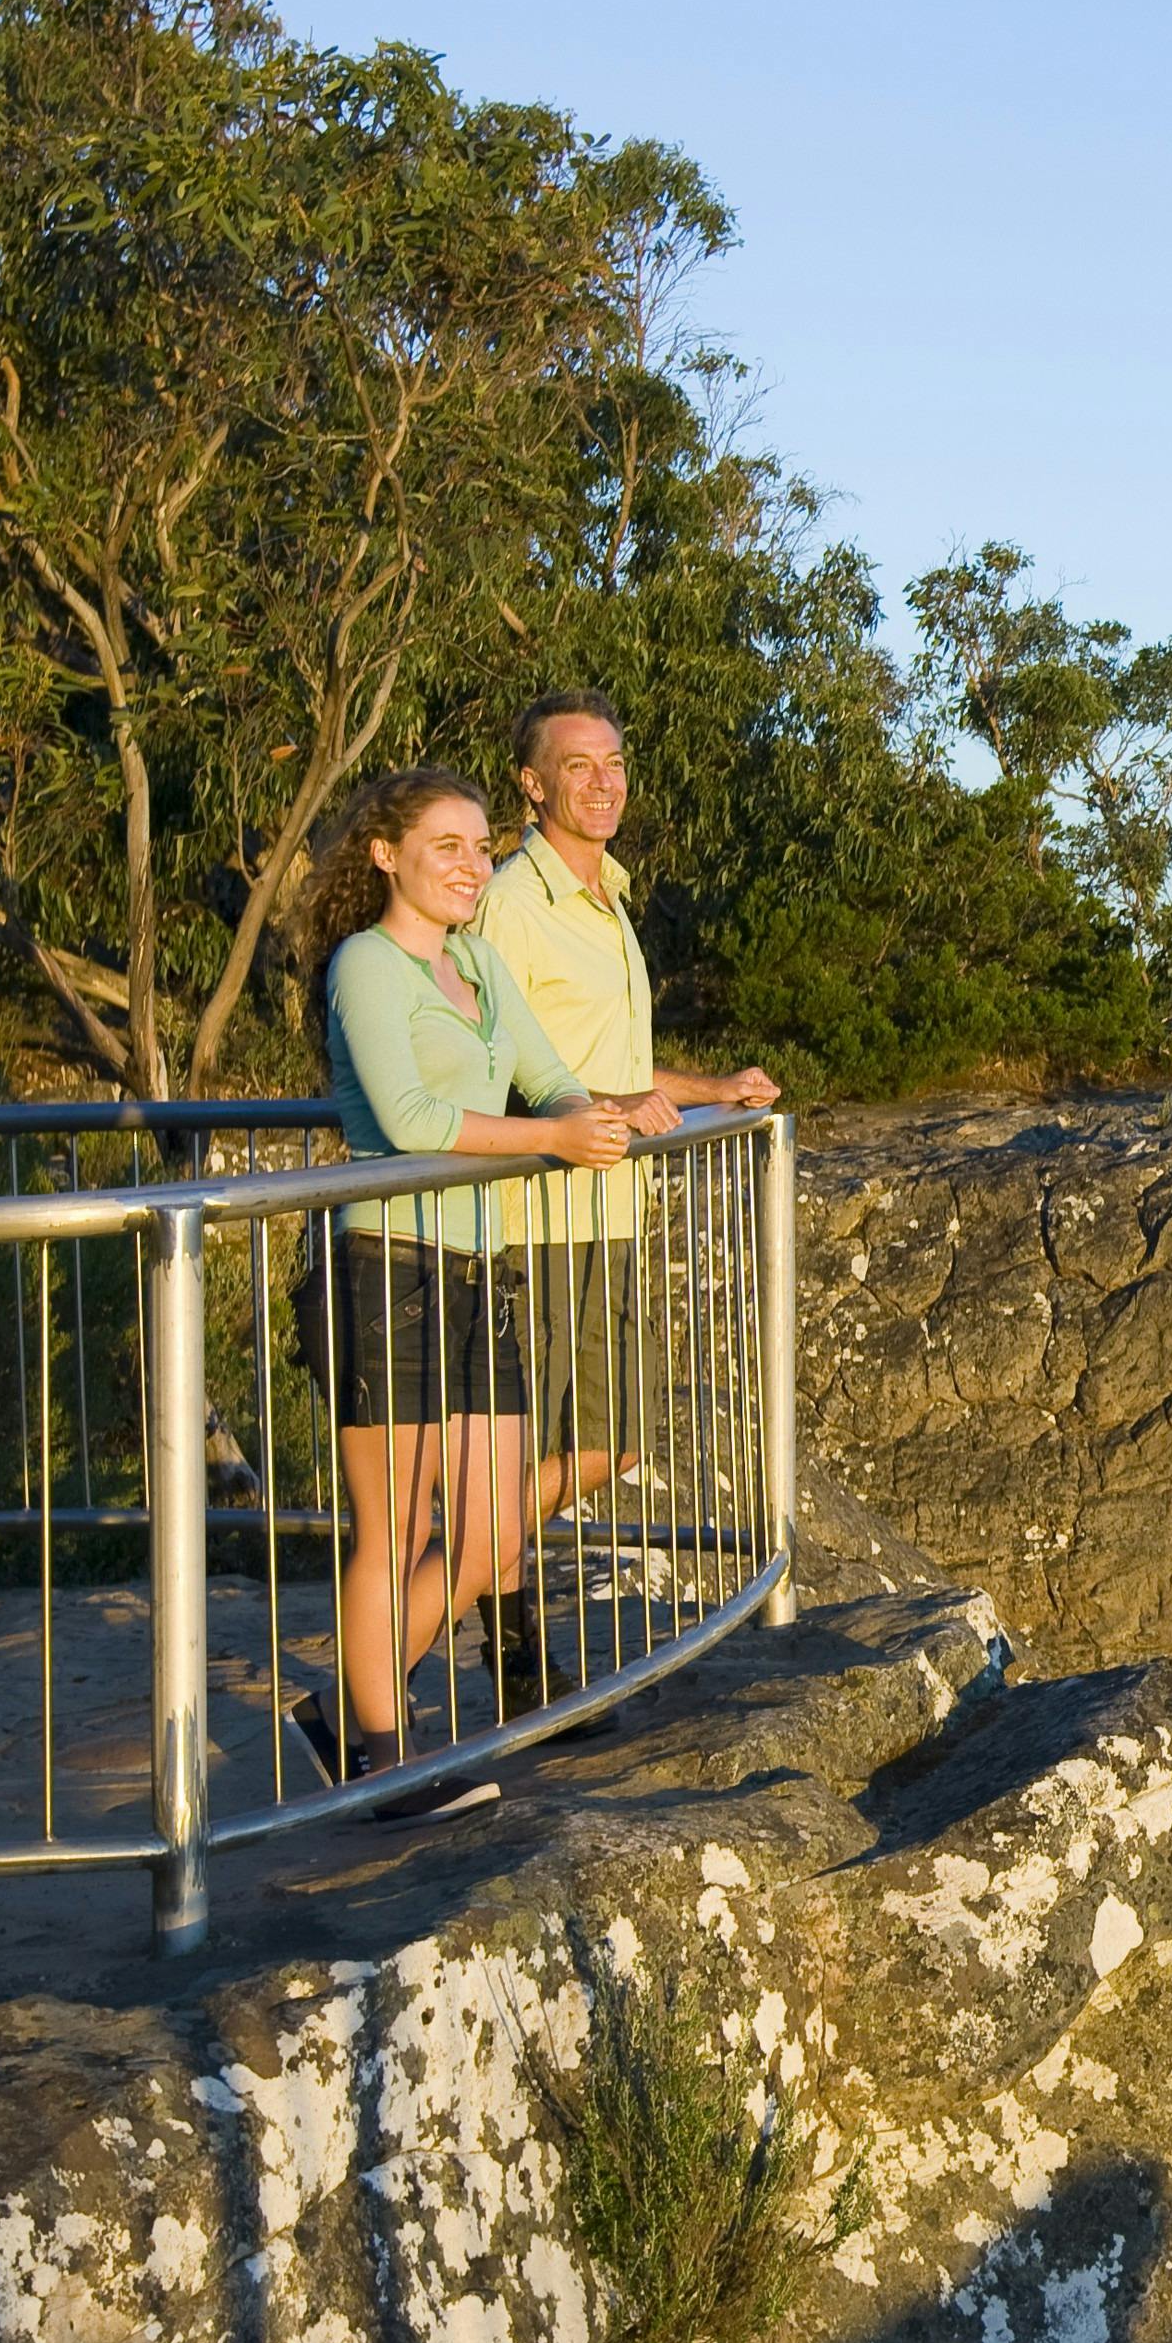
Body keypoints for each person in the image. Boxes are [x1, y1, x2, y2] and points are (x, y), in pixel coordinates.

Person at [301, 767, 666, 1812]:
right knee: (398, 1529)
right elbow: (413, 1120)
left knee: (493, 1529)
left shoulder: (476, 963)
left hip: (477, 1266)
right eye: (446, 847)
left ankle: (352, 1718)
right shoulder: (365, 965)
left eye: (478, 846)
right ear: (386, 854)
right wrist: (552, 1137)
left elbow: (551, 1077)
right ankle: (386, 1762)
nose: (470, 866)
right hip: (387, 1266)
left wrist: (588, 1108)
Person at [470, 694, 778, 1694]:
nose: (603, 782)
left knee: (612, 1441)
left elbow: (618, 1068)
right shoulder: (512, 901)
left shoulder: (607, 896)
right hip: (535, 1219)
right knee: (538, 1447)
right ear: (531, 782)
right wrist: (613, 1100)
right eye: (578, 765)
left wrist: (713, 1088)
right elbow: (497, 1068)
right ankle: (502, 1641)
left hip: (606, 1209)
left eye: (614, 762)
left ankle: (479, 1561)